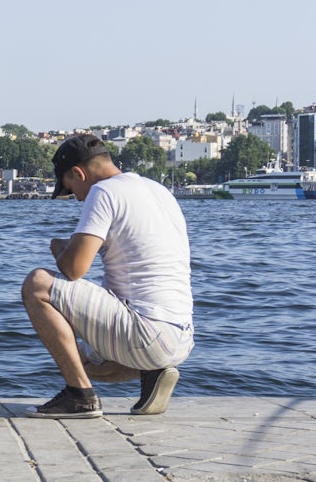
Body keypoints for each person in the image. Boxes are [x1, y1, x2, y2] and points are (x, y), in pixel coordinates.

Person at [22, 134, 194, 419]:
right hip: (180, 338)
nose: (76, 198)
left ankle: (80, 397)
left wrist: (59, 248)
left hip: (145, 331)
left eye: (70, 188)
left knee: (37, 284)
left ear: (79, 172)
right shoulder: (158, 190)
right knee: (83, 361)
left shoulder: (103, 192)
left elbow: (75, 269)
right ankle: (153, 372)